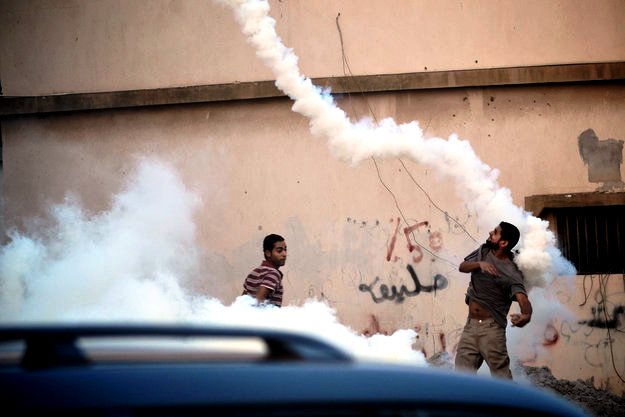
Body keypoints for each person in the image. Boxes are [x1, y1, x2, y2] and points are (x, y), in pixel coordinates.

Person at [454, 221, 532, 379]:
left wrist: (526, 314)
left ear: (503, 243)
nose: (490, 232)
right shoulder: (484, 251)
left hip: (492, 330)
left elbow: (522, 298)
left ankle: (511, 397)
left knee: (501, 379)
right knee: (461, 378)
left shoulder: (512, 270)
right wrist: (479, 264)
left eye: (495, 232)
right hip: (470, 326)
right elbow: (462, 266)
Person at [242, 234, 287, 307]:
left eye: (285, 250)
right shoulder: (273, 274)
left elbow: (242, 301)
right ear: (268, 253)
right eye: (279, 251)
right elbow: (258, 302)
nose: (284, 254)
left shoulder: (254, 272)